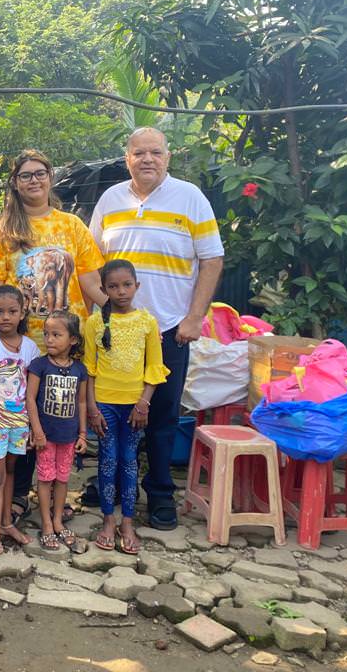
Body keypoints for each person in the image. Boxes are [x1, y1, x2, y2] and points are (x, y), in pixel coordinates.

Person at [89, 127, 224, 530]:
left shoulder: (191, 197)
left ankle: (161, 493)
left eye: (155, 152)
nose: (147, 159)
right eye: (139, 153)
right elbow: (91, 262)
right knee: (113, 410)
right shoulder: (110, 199)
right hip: (116, 332)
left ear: (168, 157)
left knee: (162, 416)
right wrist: (104, 313)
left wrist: (194, 317)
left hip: (168, 329)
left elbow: (212, 259)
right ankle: (111, 483)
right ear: (127, 158)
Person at [0, 149, 105, 524]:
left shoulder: (72, 226)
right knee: (21, 418)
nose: (33, 180)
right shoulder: (3, 230)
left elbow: (91, 282)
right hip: (20, 350)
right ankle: (18, 496)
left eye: (40, 172)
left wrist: (117, 315)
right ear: (15, 182)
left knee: (60, 421)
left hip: (66, 350)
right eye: (25, 175)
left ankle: (57, 493)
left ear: (50, 177)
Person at [84, 260, 169, 555]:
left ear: (137, 286)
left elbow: (155, 367)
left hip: (135, 406)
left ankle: (128, 522)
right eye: (113, 286)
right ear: (104, 289)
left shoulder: (147, 322)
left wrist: (143, 404)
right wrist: (92, 409)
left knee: (129, 461)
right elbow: (89, 369)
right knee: (108, 460)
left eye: (127, 285)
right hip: (104, 404)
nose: (121, 291)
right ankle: (108, 520)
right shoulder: (94, 323)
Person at [0, 286, 41, 569]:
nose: (5, 317)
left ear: (22, 313)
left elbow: (32, 391)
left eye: (12, 311)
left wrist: (32, 426)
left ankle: (6, 524)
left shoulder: (31, 348)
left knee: (11, 470)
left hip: (19, 424)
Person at [26, 310, 87, 552]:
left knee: (62, 478)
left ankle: (58, 519)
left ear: (73, 339)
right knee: (45, 478)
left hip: (68, 437)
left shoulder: (80, 370)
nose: (49, 339)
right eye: (46, 334)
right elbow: (30, 399)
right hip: (46, 437)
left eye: (56, 334)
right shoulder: (39, 366)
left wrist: (83, 434)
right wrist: (37, 431)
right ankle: (46, 524)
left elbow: (82, 402)